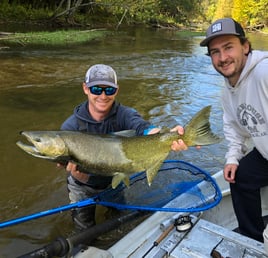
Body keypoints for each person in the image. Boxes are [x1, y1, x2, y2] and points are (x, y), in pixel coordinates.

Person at [60, 64, 188, 230]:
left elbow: (144, 127)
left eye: (109, 90)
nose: (103, 96)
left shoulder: (125, 114)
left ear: (117, 90)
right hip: (81, 186)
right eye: (97, 90)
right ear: (85, 88)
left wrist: (166, 136)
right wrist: (67, 165)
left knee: (118, 222)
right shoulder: (70, 128)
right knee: (84, 231)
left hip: (114, 180)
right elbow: (60, 160)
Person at [200, 18, 268, 242]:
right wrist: (232, 158)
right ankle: (252, 240)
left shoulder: (264, 73)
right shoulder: (227, 90)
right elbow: (233, 129)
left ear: (245, 46)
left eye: (228, 47)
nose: (222, 58)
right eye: (215, 52)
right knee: (239, 176)